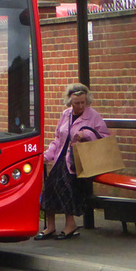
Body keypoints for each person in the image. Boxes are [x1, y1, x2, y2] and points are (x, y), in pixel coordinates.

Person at [35, 82, 109, 240]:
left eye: (83, 102)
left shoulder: (93, 115)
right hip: (60, 158)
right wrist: (47, 156)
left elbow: (104, 137)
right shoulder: (65, 114)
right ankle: (50, 227)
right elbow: (57, 139)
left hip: (77, 162)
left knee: (66, 188)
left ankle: (70, 226)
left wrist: (86, 135)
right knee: (49, 189)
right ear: (70, 101)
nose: (81, 106)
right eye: (77, 103)